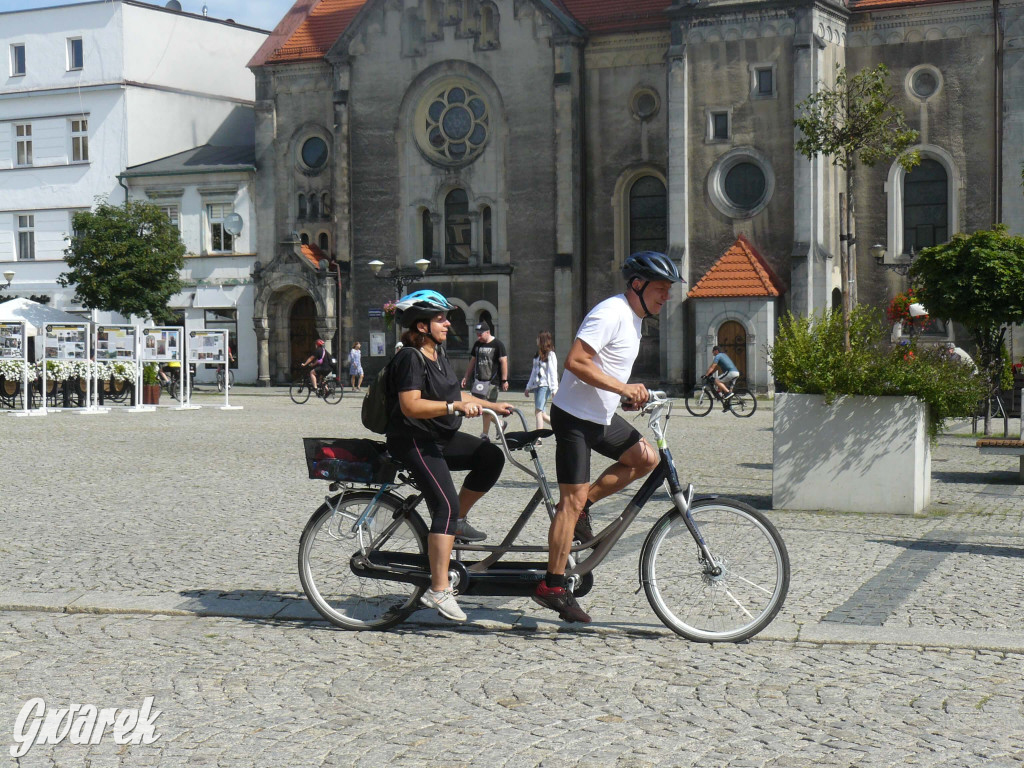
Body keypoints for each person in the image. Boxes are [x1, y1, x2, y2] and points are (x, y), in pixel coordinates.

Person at [534, 251, 684, 623]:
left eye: (667, 290)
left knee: (645, 459)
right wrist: (623, 387)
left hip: (599, 416)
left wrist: (621, 395)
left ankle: (584, 504)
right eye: (661, 289)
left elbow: (602, 371)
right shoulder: (611, 312)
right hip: (572, 418)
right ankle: (551, 586)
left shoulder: (634, 319)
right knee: (569, 501)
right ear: (638, 284)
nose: (666, 297)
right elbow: (576, 361)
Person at [386, 290, 514, 621]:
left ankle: (456, 523)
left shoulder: (437, 354)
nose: (447, 322)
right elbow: (410, 405)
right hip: (413, 439)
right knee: (445, 504)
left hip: (439, 437)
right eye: (440, 318)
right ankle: (439, 589)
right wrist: (453, 407)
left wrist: (491, 405)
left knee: (490, 457)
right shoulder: (410, 357)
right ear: (422, 325)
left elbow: (457, 393)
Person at [461, 322, 509, 440]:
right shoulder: (477, 344)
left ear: (488, 332)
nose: (478, 337)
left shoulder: (498, 344)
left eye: (480, 334)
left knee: (487, 408)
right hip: (479, 382)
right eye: (477, 334)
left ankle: (484, 434)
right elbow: (472, 361)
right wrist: (466, 376)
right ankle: (500, 424)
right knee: (482, 408)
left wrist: (504, 380)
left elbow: (504, 362)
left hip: (492, 382)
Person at [524, 331, 558, 442]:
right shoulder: (537, 355)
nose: (536, 340)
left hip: (545, 385)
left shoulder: (551, 354)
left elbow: (553, 372)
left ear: (542, 340)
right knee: (542, 413)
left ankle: (538, 438)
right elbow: (533, 372)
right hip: (537, 386)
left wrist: (554, 389)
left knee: (538, 411)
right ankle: (560, 427)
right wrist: (528, 387)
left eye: (538, 338)